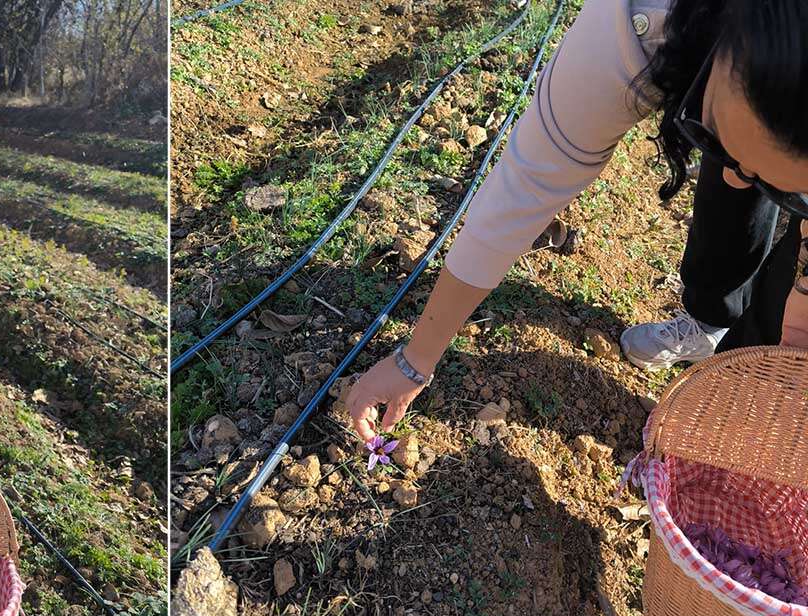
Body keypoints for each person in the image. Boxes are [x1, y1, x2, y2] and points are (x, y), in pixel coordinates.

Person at [346, 0, 808, 442]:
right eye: (710, 135)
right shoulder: (635, 25)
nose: (733, 179)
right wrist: (415, 360)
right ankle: (712, 316)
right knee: (738, 177)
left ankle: (744, 388)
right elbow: (521, 192)